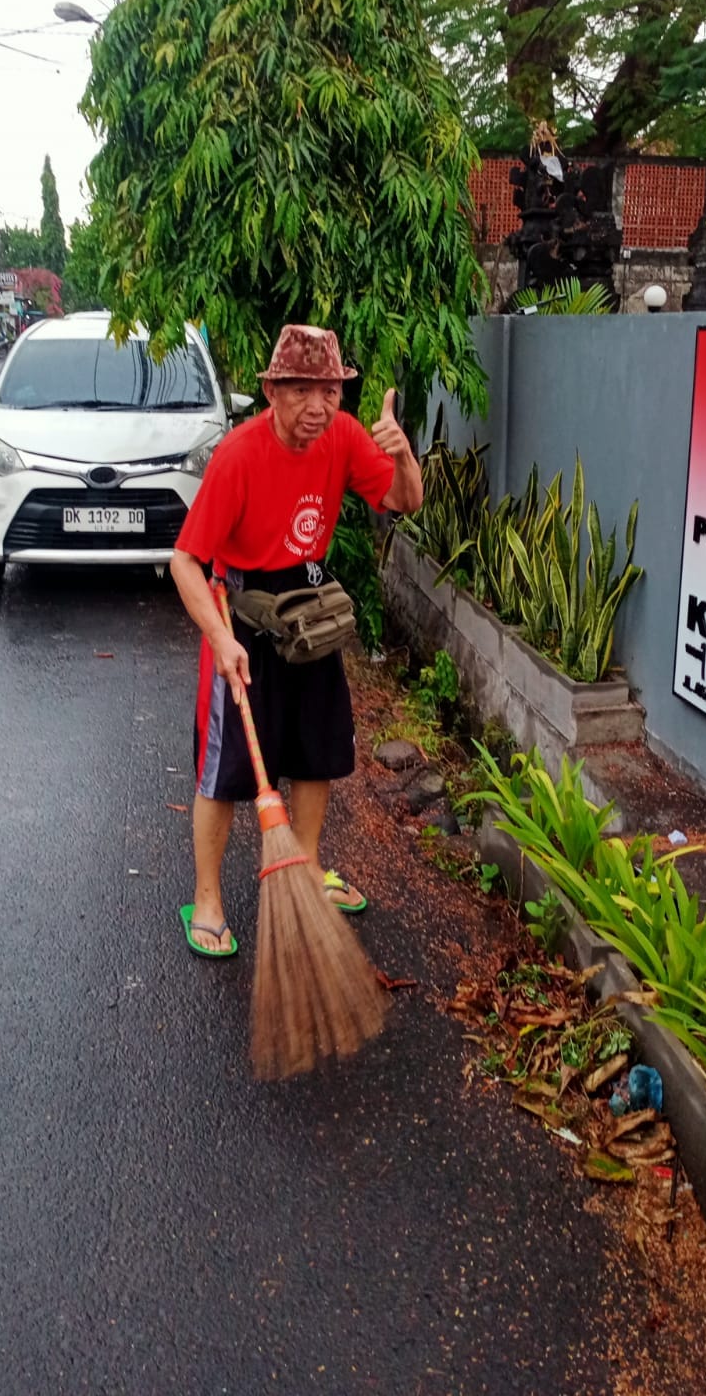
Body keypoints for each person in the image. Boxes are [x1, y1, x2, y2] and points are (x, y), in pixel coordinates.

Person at [170, 323, 423, 956]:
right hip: (242, 616)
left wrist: (401, 453)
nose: (318, 406)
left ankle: (305, 869)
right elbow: (185, 561)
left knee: (316, 753)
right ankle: (206, 899)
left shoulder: (341, 435)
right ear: (273, 391)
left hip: (308, 613)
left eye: (330, 391)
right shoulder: (239, 454)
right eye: (302, 390)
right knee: (225, 775)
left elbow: (403, 499)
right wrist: (221, 641)